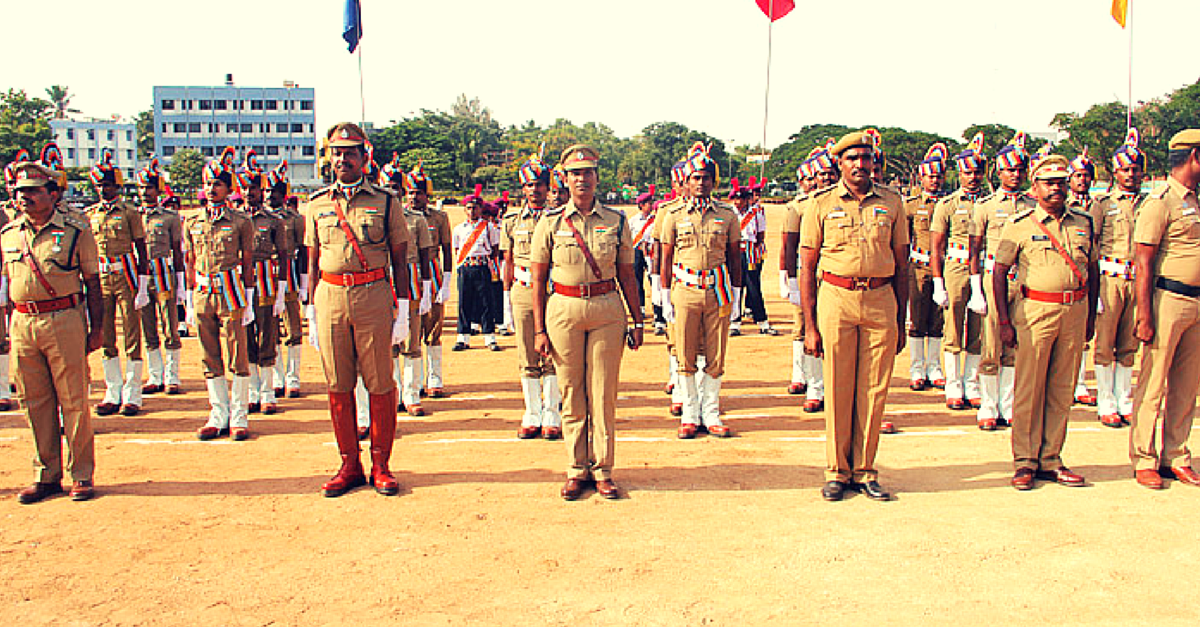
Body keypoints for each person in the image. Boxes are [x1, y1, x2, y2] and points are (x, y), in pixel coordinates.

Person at [799, 130, 909, 502]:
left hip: (881, 298)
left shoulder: (893, 202)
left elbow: (903, 262)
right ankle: (836, 470)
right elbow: (807, 265)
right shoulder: (820, 204)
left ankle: (864, 470)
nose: (861, 165)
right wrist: (809, 325)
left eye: (866, 159)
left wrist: (901, 317)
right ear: (840, 164)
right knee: (838, 386)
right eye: (852, 159)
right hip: (837, 298)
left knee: (874, 389)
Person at [305, 122, 412, 497]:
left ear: (365, 157)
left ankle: (381, 464)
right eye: (337, 152)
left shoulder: (385, 201)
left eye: (350, 152)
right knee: (338, 383)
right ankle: (349, 463)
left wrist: (403, 307)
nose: (343, 159)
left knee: (380, 383)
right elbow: (312, 258)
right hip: (330, 296)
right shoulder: (317, 203)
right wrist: (309, 306)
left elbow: (401, 257)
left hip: (374, 296)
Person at [531, 143, 643, 500]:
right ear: (564, 179)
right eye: (575, 173)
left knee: (603, 392)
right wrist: (538, 329)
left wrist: (637, 320)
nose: (582, 179)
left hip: (607, 310)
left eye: (588, 172)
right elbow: (537, 279)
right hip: (562, 309)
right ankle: (576, 468)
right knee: (570, 390)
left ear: (597, 177)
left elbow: (628, 275)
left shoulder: (616, 221)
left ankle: (604, 469)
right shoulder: (550, 223)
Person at [992, 154, 1097, 491]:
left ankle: (1051, 458)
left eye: (1062, 182)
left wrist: (1091, 316)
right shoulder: (1020, 224)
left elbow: (1092, 271)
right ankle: (1024, 461)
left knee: (1061, 389)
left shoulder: (1082, 222)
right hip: (1035, 311)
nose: (1056, 188)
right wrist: (1004, 321)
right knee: (1029, 389)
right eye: (1049, 182)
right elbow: (998, 272)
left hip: (1074, 311)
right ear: (1034, 186)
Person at [5, 161, 104, 503]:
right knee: (33, 402)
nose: (25, 197)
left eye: (33, 190)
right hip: (21, 323)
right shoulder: (9, 234)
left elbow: (93, 282)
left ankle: (81, 475)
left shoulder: (76, 229)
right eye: (20, 192)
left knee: (73, 401)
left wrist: (97, 329)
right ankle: (45, 475)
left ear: (52, 193)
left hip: (64, 319)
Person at [1128, 128, 1200, 490]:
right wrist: (1144, 314)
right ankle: (1144, 457)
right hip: (1167, 300)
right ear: (1193, 157)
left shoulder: (1195, 200)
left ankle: (1177, 455)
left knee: (1187, 387)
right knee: (1154, 384)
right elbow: (1143, 260)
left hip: (1196, 303)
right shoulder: (1160, 201)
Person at [660, 143, 742, 438]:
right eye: (695, 177)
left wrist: (737, 293)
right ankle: (690, 413)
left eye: (706, 177)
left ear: (713, 181)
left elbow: (735, 256)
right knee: (685, 353)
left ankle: (711, 411)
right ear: (686, 181)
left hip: (718, 291)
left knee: (716, 354)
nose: (700, 182)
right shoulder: (673, 215)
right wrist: (663, 295)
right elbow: (665, 256)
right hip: (685, 290)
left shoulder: (728, 214)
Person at [185, 147, 256, 440]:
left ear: (228, 188)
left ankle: (239, 415)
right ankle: (218, 413)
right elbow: (190, 261)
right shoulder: (192, 221)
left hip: (231, 292)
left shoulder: (240, 221)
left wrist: (249, 298)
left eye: (217, 184)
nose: (211, 189)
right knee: (208, 355)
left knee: (237, 354)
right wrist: (189, 299)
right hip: (203, 292)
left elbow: (248, 261)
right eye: (207, 184)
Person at [970, 133, 1036, 430]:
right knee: (992, 344)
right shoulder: (984, 206)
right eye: (1010, 170)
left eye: (1021, 169)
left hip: (1023, 282)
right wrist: (976, 290)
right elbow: (975, 249)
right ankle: (988, 404)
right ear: (999, 172)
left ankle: (1009, 405)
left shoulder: (1032, 205)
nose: (1016, 174)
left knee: (1017, 345)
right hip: (993, 281)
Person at [502, 153, 563, 439]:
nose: (535, 189)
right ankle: (532, 413)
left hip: (553, 291)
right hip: (523, 291)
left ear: (548, 186)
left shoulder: (558, 218)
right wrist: (505, 299)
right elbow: (508, 260)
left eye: (539, 184)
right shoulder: (512, 219)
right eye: (529, 185)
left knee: (553, 353)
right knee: (527, 353)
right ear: (522, 188)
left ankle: (552, 412)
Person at [86, 149, 150, 416]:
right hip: (101, 278)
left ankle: (132, 394)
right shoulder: (90, 214)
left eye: (108, 185)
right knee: (106, 335)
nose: (104, 190)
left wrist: (143, 285)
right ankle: (112, 392)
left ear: (118, 187)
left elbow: (141, 250)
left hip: (126, 276)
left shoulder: (130, 213)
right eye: (100, 185)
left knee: (132, 336)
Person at [1090, 130, 1147, 428]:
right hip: (1109, 278)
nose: (1131, 174)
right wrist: (1095, 289)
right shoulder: (1102, 204)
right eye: (1126, 169)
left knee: (1129, 341)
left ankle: (1124, 398)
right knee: (1105, 342)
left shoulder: (1149, 202)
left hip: (1138, 278)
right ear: (1115, 172)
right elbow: (1093, 243)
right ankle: (1106, 400)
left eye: (1136, 169)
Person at [931, 133, 986, 411]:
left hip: (984, 271)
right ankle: (953, 384)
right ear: (959, 174)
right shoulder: (948, 204)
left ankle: (972, 383)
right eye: (967, 172)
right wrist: (938, 283)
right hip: (955, 267)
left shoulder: (988, 203)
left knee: (978, 331)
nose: (973, 177)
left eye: (977, 172)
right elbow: (936, 246)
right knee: (953, 327)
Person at [780, 145, 835, 413]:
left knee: (835, 332)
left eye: (830, 173)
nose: (825, 178)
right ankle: (811, 383)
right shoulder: (800, 206)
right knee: (805, 327)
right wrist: (789, 280)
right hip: (808, 275)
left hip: (835, 276)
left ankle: (833, 385)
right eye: (821, 174)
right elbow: (789, 246)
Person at [380, 155, 433, 417]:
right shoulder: (377, 216)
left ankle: (411, 394)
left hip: (410, 282)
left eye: (396, 187)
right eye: (387, 185)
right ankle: (395, 393)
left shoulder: (416, 219)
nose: (392, 190)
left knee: (412, 342)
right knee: (387, 344)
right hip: (381, 282)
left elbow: (426, 257)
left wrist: (427, 289)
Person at [236, 151, 288, 415]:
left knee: (268, 335)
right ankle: (252, 391)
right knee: (244, 337)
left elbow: (284, 255)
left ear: (262, 190)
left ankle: (268, 391)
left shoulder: (274, 221)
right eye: (245, 187)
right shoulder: (234, 219)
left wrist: (281, 291)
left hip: (266, 282)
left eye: (254, 188)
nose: (249, 193)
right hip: (238, 283)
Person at [135, 158, 185, 396]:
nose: (145, 192)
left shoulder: (170, 217)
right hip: (140, 276)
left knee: (169, 326)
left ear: (158, 190)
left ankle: (172, 376)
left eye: (150, 188)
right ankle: (155, 375)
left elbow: (177, 250)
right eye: (142, 188)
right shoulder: (134, 216)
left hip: (164, 273)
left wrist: (181, 283)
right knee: (147, 327)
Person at [905, 143, 948, 392]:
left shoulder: (947, 203)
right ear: (922, 177)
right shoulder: (911, 204)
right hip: (919, 267)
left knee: (937, 320)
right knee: (918, 320)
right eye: (931, 176)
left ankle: (934, 366)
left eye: (939, 176)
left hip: (942, 268)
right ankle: (917, 368)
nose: (935, 180)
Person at [410, 167, 453, 399]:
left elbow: (447, 249)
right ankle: (414, 380)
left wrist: (446, 281)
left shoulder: (439, 217)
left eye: (418, 192)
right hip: (409, 273)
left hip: (433, 273)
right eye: (410, 192)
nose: (413, 197)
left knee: (433, 326)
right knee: (410, 330)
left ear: (427, 195)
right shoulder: (401, 216)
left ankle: (434, 377)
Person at [268, 169, 307, 400]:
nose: (269, 196)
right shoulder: (256, 217)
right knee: (270, 330)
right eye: (267, 191)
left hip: (289, 271)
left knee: (293, 328)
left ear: (283, 194)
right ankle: (276, 376)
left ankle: (293, 378)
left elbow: (303, 251)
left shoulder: (295, 219)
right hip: (265, 275)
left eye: (274, 192)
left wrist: (303, 284)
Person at [1066, 149, 1099, 406]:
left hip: (1093, 272)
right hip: (1070, 274)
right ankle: (1068, 382)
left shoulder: (1099, 205)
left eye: (1086, 176)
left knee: (1085, 335)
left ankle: (1080, 382)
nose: (1082, 180)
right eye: (1078, 175)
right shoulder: (1065, 206)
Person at [452, 186, 501, 351]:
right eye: (469, 208)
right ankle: (462, 338)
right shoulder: (458, 229)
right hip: (465, 268)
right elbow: (457, 250)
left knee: (487, 303)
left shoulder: (488, 227)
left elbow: (495, 249)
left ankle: (490, 338)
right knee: (464, 302)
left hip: (482, 267)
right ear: (465, 210)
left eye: (475, 207)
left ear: (481, 209)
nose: (472, 211)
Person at [730, 177, 777, 337]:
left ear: (746, 199)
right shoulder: (730, 214)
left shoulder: (756, 213)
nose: (737, 202)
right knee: (735, 289)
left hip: (750, 253)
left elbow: (761, 235)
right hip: (735, 253)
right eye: (734, 198)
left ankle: (762, 322)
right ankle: (734, 322)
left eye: (740, 199)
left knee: (754, 288)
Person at [0, 151, 28, 412]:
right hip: (5, 277)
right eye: (10, 184)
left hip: (17, 278)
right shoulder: (4, 212)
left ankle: (9, 387)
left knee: (10, 335)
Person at [629, 186, 660, 334]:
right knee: (637, 281)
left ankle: (657, 310)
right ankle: (640, 308)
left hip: (650, 252)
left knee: (654, 281)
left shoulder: (656, 220)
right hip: (636, 252)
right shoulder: (633, 220)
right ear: (641, 205)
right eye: (647, 203)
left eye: (651, 202)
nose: (650, 205)